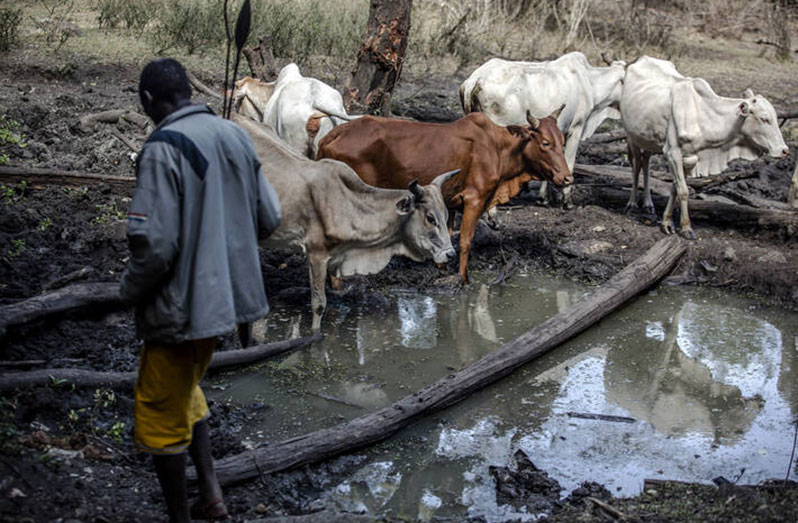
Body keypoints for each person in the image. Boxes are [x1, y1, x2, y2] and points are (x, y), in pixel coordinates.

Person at [120, 58, 281, 522]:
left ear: (148, 101)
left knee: (159, 415)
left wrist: (128, 290)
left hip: (178, 311)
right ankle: (211, 496)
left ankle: (180, 518)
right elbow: (269, 219)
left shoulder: (162, 146)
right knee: (186, 393)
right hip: (224, 307)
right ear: (188, 91)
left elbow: (153, 246)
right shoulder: (235, 136)